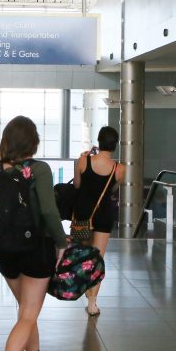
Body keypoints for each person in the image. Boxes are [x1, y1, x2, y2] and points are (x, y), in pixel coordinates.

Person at [0, 116, 68, 351]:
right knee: (28, 314)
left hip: (6, 252)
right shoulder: (39, 169)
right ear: (32, 142)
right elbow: (48, 210)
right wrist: (62, 242)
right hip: (35, 249)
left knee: (26, 312)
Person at [73, 126, 126, 317]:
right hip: (104, 215)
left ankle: (78, 284)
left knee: (81, 254)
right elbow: (112, 190)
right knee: (98, 258)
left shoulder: (82, 160)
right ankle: (92, 303)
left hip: (82, 215)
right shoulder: (119, 169)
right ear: (115, 144)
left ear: (99, 140)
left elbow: (77, 185)